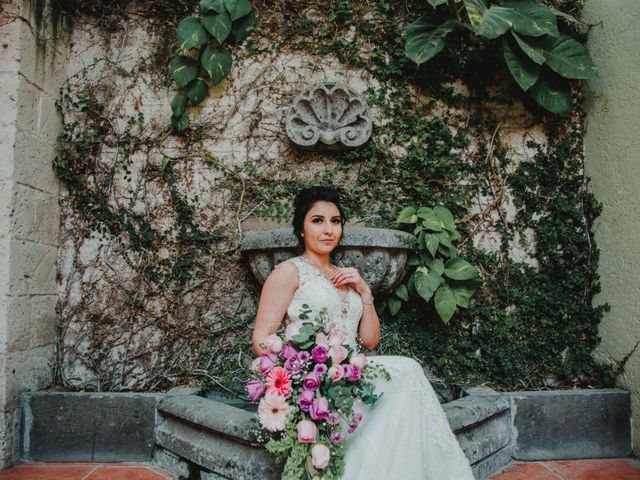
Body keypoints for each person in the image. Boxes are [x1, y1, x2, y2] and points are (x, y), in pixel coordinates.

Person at [252, 186, 474, 480]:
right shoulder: (288, 272)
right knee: (408, 371)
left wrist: (365, 292)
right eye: (317, 221)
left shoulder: (347, 275)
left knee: (408, 376)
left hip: (354, 375)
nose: (328, 229)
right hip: (315, 384)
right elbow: (260, 341)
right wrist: (305, 371)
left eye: (335, 221)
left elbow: (369, 341)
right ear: (301, 229)